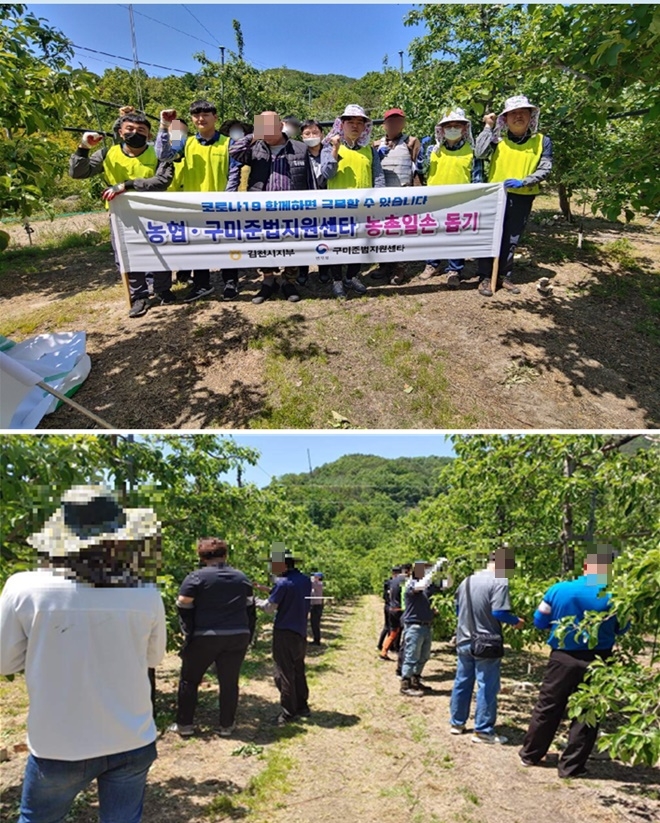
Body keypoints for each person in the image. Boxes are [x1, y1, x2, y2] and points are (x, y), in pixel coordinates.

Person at [0, 485, 166, 823]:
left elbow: (4, 661)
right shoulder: (145, 593)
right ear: (121, 539)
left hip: (59, 745)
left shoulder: (25, 588)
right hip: (131, 738)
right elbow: (154, 658)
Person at [519, 548, 627, 777]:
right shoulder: (617, 596)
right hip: (599, 660)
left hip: (562, 657)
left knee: (548, 706)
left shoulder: (558, 590)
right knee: (589, 711)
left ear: (585, 566)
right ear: (609, 571)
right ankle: (571, 767)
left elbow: (539, 621)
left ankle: (531, 755)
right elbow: (622, 629)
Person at [69, 112, 175, 318]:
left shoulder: (159, 153)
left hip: (155, 213)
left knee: (160, 251)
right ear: (120, 132)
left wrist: (126, 185)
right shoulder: (107, 154)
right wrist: (83, 147)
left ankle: (163, 289)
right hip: (121, 217)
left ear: (149, 133)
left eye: (141, 130)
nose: (135, 133)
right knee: (129, 255)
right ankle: (139, 296)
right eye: (130, 130)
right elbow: (78, 173)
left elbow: (162, 181)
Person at [171, 538, 255, 738]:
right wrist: (248, 634)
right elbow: (250, 608)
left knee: (190, 680)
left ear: (201, 557)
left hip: (205, 636)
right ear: (225, 555)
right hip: (237, 635)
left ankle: (185, 724)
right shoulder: (241, 578)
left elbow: (183, 602)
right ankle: (226, 725)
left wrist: (188, 630)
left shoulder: (196, 577)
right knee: (229, 681)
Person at [230, 111, 315, 305]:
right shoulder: (255, 147)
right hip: (261, 208)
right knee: (262, 243)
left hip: (293, 208)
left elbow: (309, 179)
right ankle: (268, 280)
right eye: (262, 125)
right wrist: (253, 135)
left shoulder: (300, 148)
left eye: (270, 125)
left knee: (293, 243)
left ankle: (288, 281)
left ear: (280, 125)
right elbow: (234, 152)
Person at [474, 95, 553, 297]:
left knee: (511, 238)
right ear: (505, 119)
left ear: (530, 117)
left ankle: (504, 275)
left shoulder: (542, 141)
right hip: (495, 196)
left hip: (522, 196)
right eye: (513, 114)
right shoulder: (497, 139)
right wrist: (487, 127)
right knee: (490, 236)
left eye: (523, 113)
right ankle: (485, 276)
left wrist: (525, 181)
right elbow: (480, 153)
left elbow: (545, 168)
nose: (518, 116)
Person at [162, 100, 238, 302]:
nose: (200, 118)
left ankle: (231, 282)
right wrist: (163, 127)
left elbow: (234, 173)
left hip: (222, 205)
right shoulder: (184, 142)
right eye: (196, 115)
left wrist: (227, 200)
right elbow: (163, 155)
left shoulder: (229, 142)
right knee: (198, 246)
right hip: (193, 205)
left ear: (215, 117)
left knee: (227, 244)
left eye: (205, 114)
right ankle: (202, 284)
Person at [449, 547, 525, 743]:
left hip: (464, 639)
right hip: (486, 642)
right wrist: (516, 621)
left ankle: (457, 723)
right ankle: (483, 730)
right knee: (487, 686)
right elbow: (499, 612)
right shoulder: (500, 581)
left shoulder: (467, 580)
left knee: (462, 681)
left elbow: (458, 610)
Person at [320, 104, 386, 299]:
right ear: (342, 124)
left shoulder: (369, 150)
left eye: (360, 123)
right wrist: (335, 149)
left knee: (359, 244)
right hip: (337, 208)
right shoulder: (328, 147)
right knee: (337, 245)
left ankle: (351, 276)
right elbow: (327, 173)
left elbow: (378, 176)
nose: (355, 126)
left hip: (363, 208)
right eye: (351, 122)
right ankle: (337, 280)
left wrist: (380, 199)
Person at [418, 108, 484, 288]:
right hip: (434, 200)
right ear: (441, 129)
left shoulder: (472, 151)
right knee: (432, 233)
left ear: (464, 128)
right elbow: (422, 171)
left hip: (460, 202)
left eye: (457, 125)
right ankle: (432, 264)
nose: (453, 129)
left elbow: (477, 179)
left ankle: (454, 269)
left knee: (456, 235)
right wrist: (421, 155)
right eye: (448, 126)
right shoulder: (433, 149)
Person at [256, 548, 312, 724]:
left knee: (283, 671)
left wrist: (253, 601)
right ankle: (302, 706)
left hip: (284, 631)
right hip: (300, 630)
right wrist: (267, 589)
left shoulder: (282, 583)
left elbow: (269, 608)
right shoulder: (305, 580)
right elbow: (288, 594)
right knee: (298, 668)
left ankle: (288, 711)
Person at [372, 108, 421, 285]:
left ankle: (400, 267)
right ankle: (384, 265)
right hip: (383, 196)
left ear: (403, 123)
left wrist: (417, 193)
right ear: (384, 124)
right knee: (383, 231)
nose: (394, 124)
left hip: (404, 194)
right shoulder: (376, 144)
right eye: (390, 121)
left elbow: (418, 169)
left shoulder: (412, 142)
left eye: (398, 121)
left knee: (401, 232)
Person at [400, 559, 446, 696]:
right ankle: (405, 684)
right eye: (424, 569)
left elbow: (446, 585)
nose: (427, 571)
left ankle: (415, 680)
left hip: (426, 626)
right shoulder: (411, 584)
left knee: (424, 656)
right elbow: (422, 584)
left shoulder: (427, 587)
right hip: (414, 626)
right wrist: (435, 568)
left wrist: (450, 571)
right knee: (411, 655)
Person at [297, 119, 332, 287]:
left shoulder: (330, 152)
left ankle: (324, 270)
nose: (311, 136)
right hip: (304, 204)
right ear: (302, 136)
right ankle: (302, 270)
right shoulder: (298, 153)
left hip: (326, 204)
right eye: (307, 134)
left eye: (315, 133)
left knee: (324, 235)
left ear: (322, 134)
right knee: (304, 237)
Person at [379, 562, 412, 660]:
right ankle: (402, 652)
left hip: (392, 608)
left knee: (393, 632)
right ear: (408, 570)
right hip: (400, 609)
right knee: (405, 631)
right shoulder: (405, 580)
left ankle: (384, 651)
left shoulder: (393, 580)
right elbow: (404, 595)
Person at [377, 565, 401, 651]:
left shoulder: (388, 582)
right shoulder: (396, 583)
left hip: (388, 606)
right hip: (393, 607)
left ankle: (382, 645)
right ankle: (392, 646)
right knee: (394, 628)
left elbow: (385, 596)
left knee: (388, 627)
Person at [309, 571, 324, 645]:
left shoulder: (319, 584)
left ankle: (317, 640)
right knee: (313, 623)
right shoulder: (316, 585)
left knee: (315, 623)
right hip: (315, 606)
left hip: (317, 606)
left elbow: (311, 583)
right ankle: (316, 639)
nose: (313, 578)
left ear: (319, 578)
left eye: (315, 577)